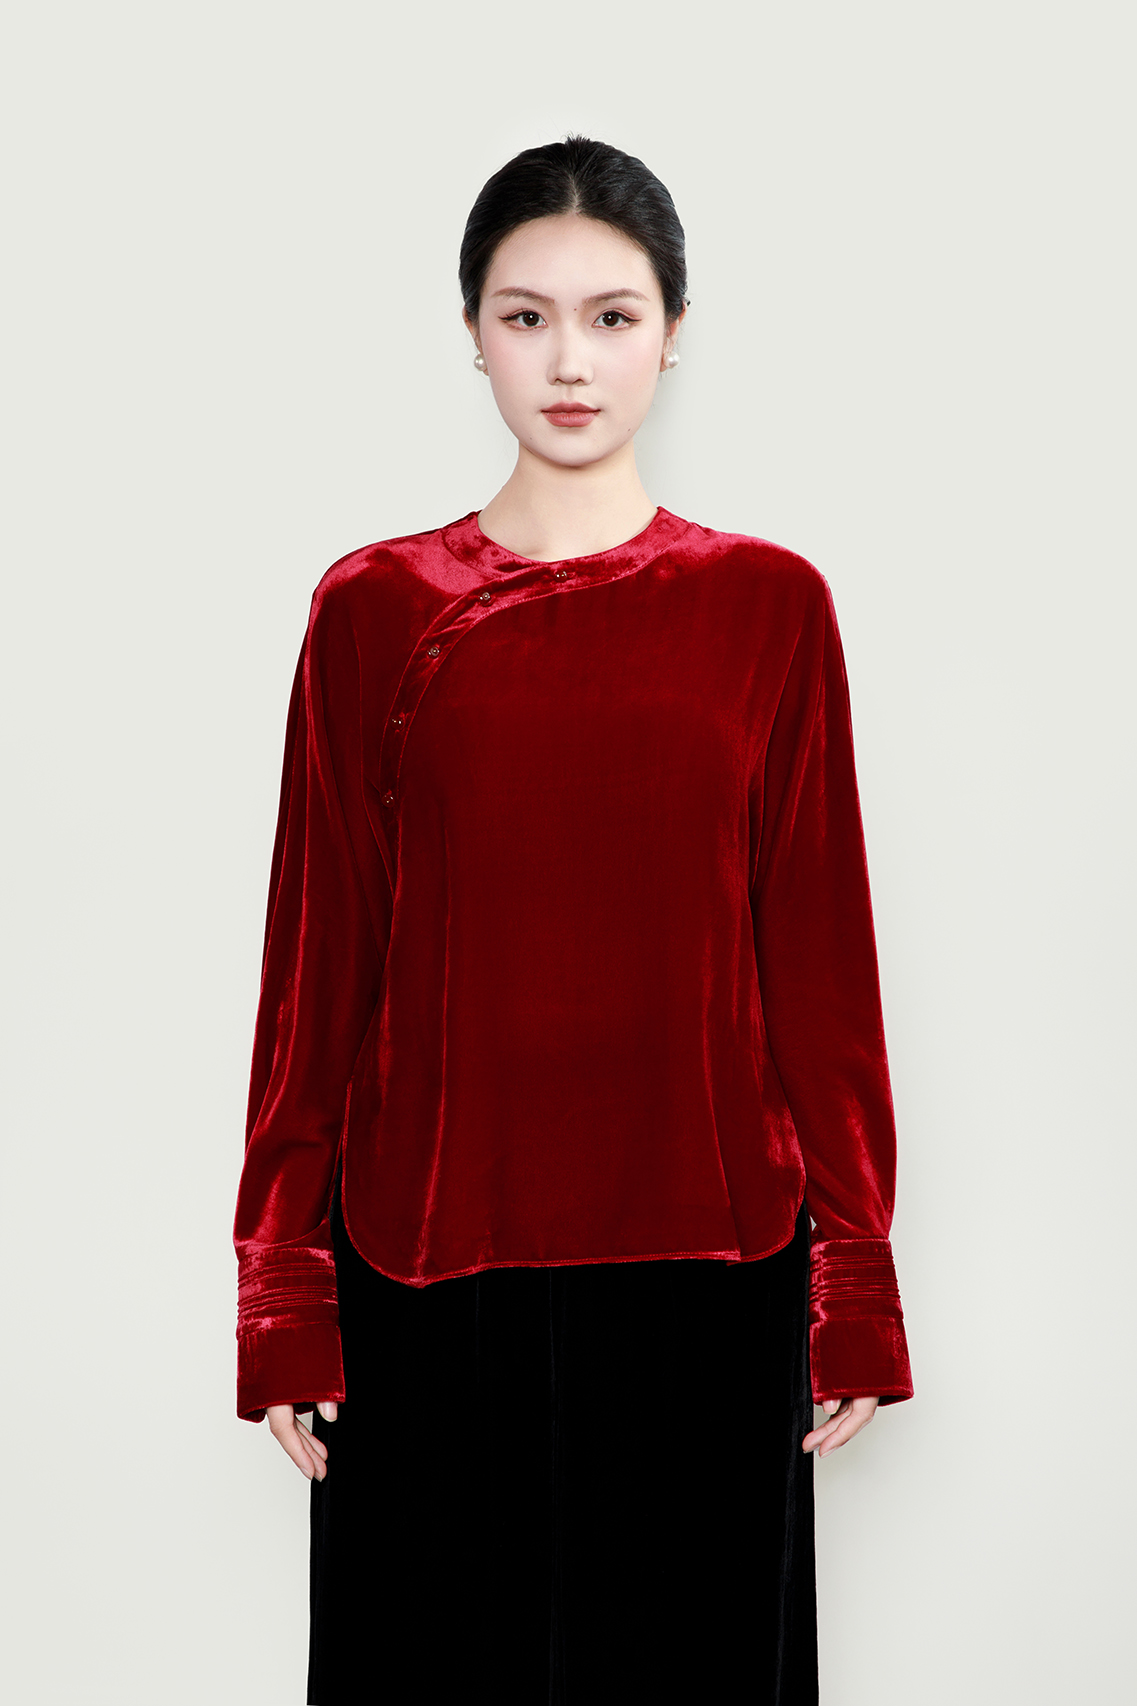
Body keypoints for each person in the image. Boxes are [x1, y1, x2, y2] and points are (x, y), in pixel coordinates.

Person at [232, 135, 913, 1705]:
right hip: (428, 1268)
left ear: (673, 334)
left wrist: (856, 1281)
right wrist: (283, 1286)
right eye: (524, 315)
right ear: (471, 333)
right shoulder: (374, 610)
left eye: (611, 316)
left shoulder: (768, 608)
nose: (568, 359)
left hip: (710, 1268)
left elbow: (819, 965)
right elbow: (316, 962)